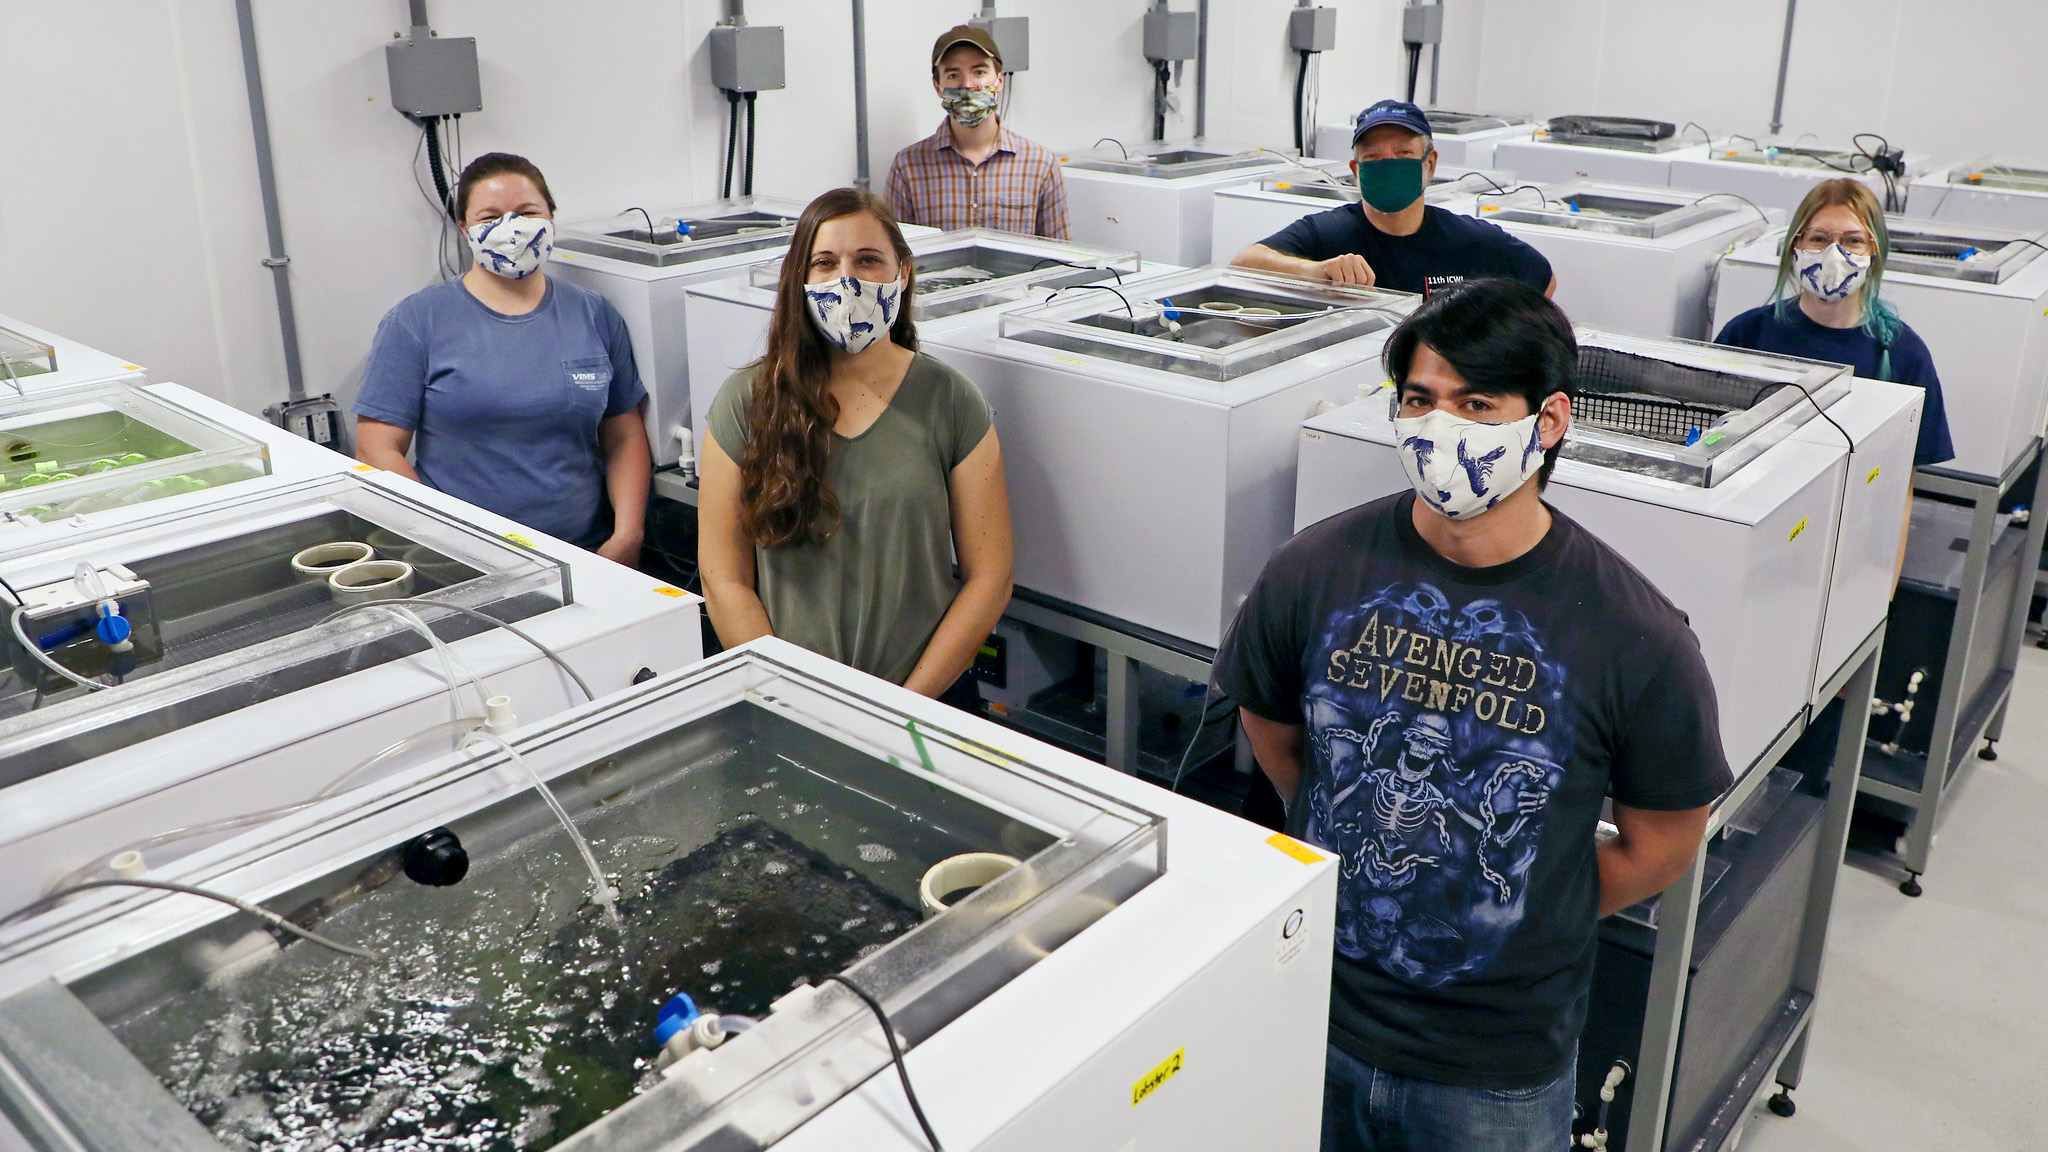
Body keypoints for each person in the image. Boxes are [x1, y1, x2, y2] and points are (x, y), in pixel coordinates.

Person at [1213, 279, 1730, 1152]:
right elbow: (1277, 737)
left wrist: (1524, 894)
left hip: (1494, 1068)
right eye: (1420, 399)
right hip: (1312, 1004)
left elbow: (1664, 845)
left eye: (1477, 403)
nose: (1439, 424)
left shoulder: (1633, 633)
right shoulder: (1312, 571)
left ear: (1551, 422)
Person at [697, 188, 1013, 705]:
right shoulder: (746, 403)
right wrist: (791, 697)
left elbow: (990, 577)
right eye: (825, 263)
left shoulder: (951, 401)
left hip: (927, 699)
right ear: (800, 280)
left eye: (868, 260)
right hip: (789, 701)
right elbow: (723, 578)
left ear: (903, 273)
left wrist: (905, 704)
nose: (848, 280)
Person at [355, 153, 650, 564]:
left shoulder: (594, 314)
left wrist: (627, 536)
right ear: (464, 229)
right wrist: (445, 537)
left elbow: (624, 435)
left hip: (586, 553)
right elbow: (376, 449)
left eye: (527, 212)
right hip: (460, 561)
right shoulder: (417, 320)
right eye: (489, 217)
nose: (510, 229)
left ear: (551, 218)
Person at [1716, 176, 1954, 469]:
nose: (1834, 254)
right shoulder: (1746, 334)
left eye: (1853, 241)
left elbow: (1901, 479)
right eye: (1819, 238)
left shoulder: (1904, 353)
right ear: (1795, 246)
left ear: (1874, 252)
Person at [1232, 99, 1554, 299]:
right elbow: (1243, 264)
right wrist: (1316, 272)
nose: (1388, 165)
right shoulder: (1329, 233)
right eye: (1373, 157)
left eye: (1403, 153)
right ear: (1355, 171)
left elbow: (1543, 278)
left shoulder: (1470, 239)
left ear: (1429, 164)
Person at [884, 25, 1068, 239]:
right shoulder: (907, 166)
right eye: (953, 75)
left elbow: (1061, 258)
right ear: (938, 87)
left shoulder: (1041, 164)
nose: (968, 85)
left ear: (999, 80)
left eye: (979, 72)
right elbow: (894, 259)